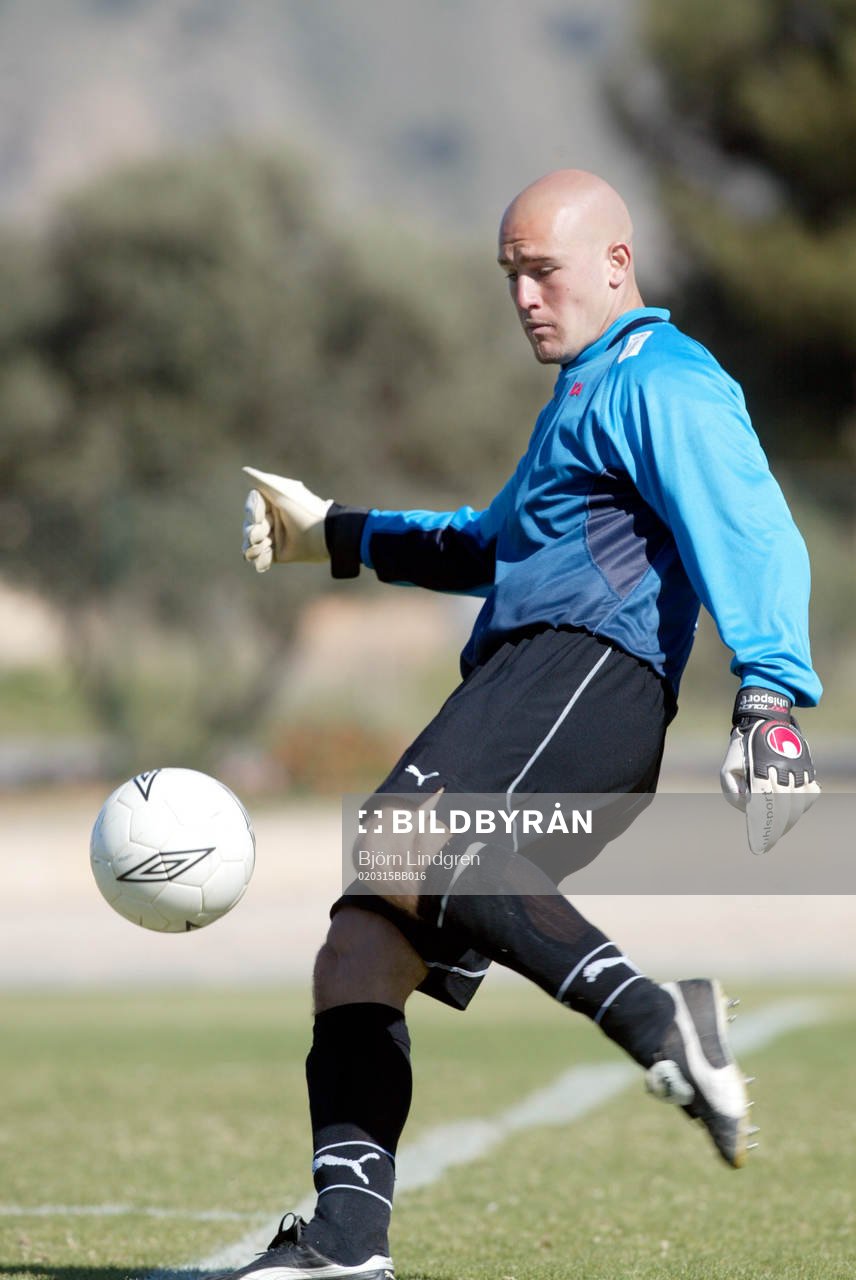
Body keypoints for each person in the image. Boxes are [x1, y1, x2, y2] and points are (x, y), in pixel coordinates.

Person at [228, 170, 821, 1280]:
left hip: (583, 680)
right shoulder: (579, 400)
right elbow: (489, 541)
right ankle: (347, 1240)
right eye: (509, 275)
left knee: (407, 835)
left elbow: (753, 528)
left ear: (614, 263)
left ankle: (657, 1017)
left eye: (542, 270)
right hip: (524, 686)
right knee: (361, 939)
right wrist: (333, 531)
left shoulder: (665, 378)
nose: (524, 298)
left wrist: (767, 692)